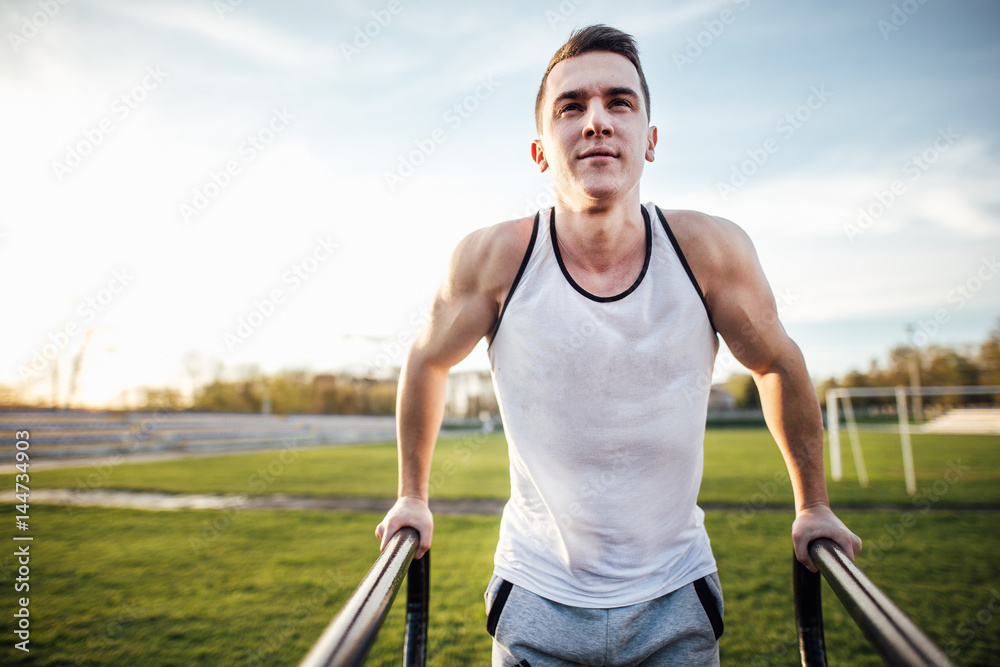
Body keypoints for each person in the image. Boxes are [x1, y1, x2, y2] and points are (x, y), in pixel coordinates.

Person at [376, 24, 862, 666]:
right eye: (571, 107)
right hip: (538, 595)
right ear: (541, 150)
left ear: (650, 140)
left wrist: (814, 506)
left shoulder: (710, 251)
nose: (597, 121)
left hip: (675, 596)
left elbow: (777, 363)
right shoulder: (493, 258)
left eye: (619, 103)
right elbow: (427, 359)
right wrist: (413, 494)